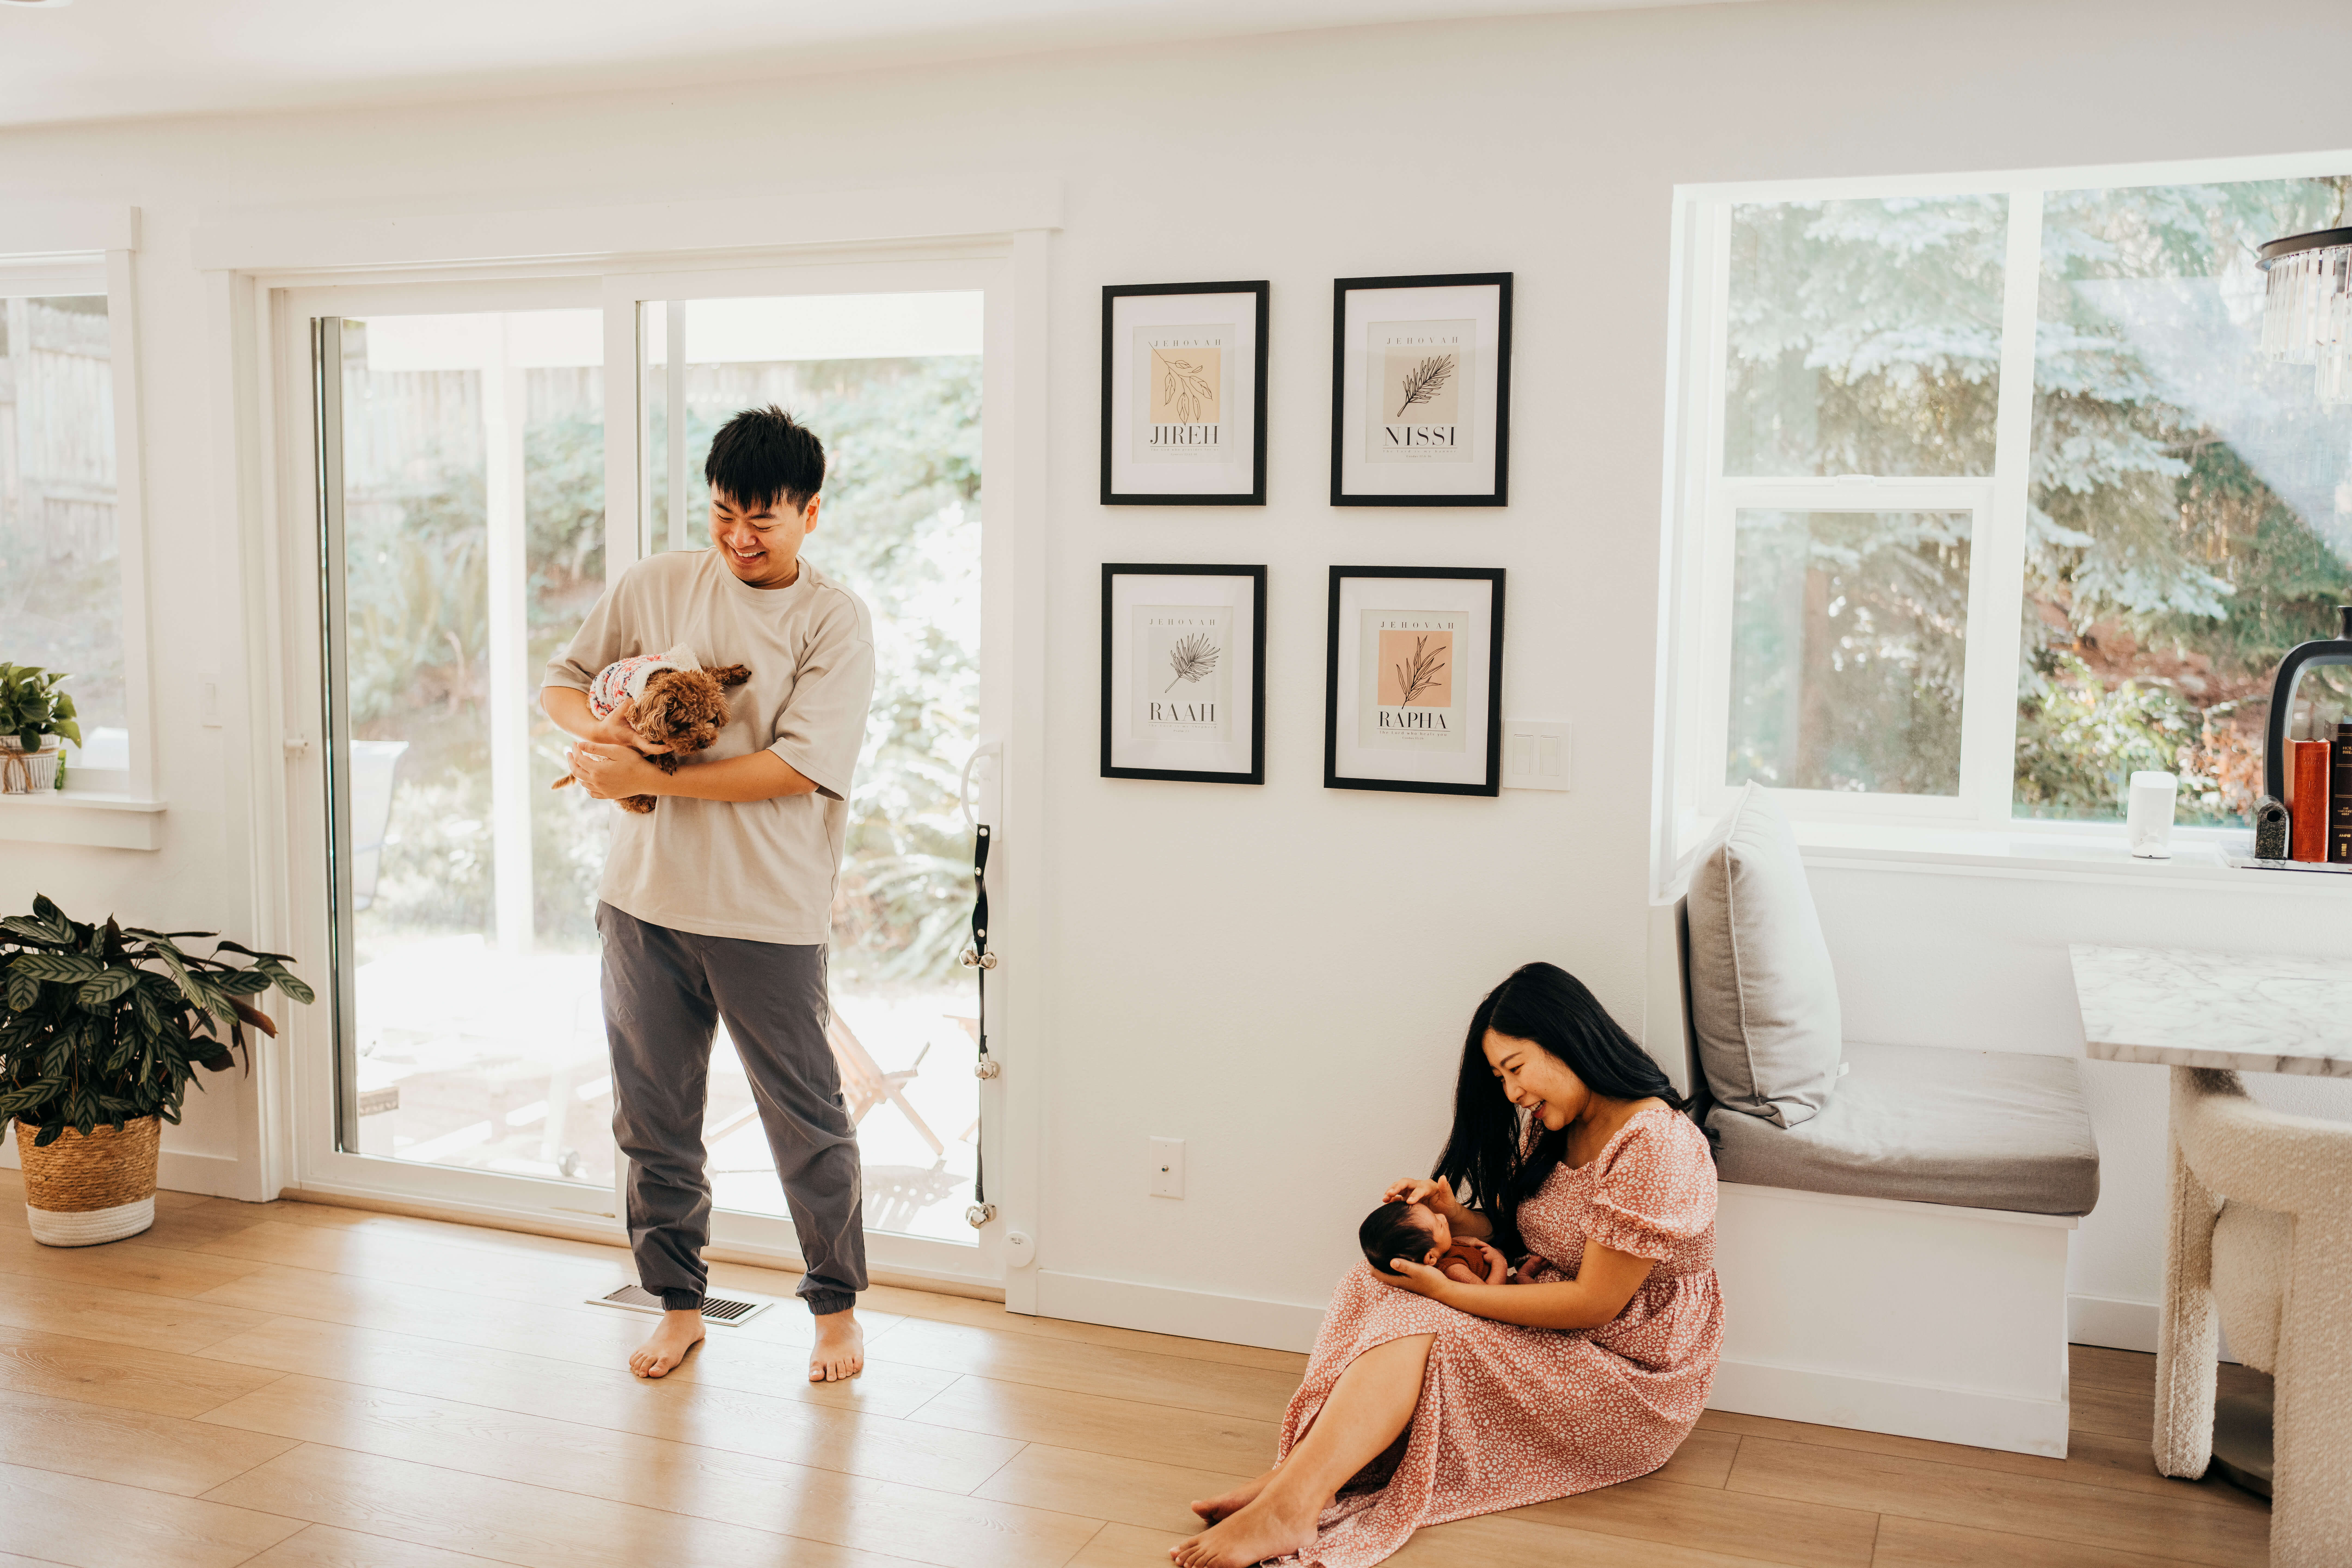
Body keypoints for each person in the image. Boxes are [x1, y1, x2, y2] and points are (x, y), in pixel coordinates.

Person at [1175, 961, 1723, 1568]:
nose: (1512, 1093)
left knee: (1426, 1315)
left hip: (1625, 1377)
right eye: (1501, 1077)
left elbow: (1595, 1301)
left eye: (1515, 1069)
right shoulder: (1554, 1123)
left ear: (1568, 1039)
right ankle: (1301, 1478)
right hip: (1554, 1331)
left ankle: (1293, 1500)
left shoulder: (1655, 1145)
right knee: (1372, 1283)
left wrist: (1446, 1293)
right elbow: (1537, 1232)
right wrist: (1456, 1220)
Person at [542, 405, 877, 1384]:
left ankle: (834, 1310)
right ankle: (678, 1304)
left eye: (763, 521)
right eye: (723, 512)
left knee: (807, 1120)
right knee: (652, 1119)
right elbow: (562, 680)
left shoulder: (832, 620)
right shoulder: (658, 583)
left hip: (766, 913)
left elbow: (795, 768)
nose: (738, 537)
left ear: (811, 514)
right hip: (643, 902)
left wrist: (650, 780)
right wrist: (608, 737)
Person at [1356, 1200, 1513, 1286]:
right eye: (1439, 1224)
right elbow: (1488, 1296)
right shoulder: (1454, 1269)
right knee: (1525, 1280)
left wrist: (1474, 1242)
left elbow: (1459, 1242)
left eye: (1434, 1214)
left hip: (1501, 1273)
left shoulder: (1444, 1247)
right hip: (1507, 1293)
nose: (1443, 1217)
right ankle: (1525, 1276)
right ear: (1431, 1258)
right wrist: (1500, 1262)